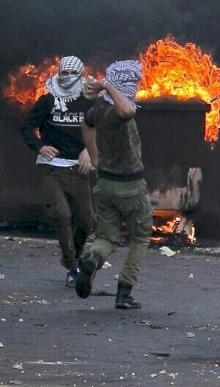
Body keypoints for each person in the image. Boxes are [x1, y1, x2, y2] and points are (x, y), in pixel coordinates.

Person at [76, 60, 153, 309]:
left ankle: (93, 260)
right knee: (140, 238)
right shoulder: (121, 111)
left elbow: (86, 124)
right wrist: (108, 86)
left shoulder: (99, 108)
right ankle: (124, 293)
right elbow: (128, 111)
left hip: (105, 184)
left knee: (106, 237)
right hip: (130, 186)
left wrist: (93, 154)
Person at [20, 55, 97, 287]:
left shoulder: (88, 101)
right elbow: (26, 127)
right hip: (50, 169)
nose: (65, 78)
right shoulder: (47, 99)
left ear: (81, 76)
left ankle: (69, 257)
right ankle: (73, 266)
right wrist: (40, 147)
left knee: (87, 220)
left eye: (71, 74)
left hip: (78, 169)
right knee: (62, 215)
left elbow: (102, 129)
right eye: (62, 73)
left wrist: (89, 151)